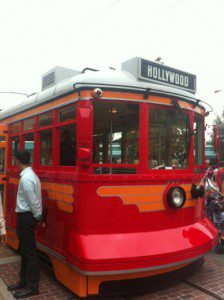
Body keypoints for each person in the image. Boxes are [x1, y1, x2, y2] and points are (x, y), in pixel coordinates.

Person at [7, 150, 42, 299]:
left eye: (14, 159)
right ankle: (23, 281)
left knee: (30, 253)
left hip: (26, 218)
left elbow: (33, 201)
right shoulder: (30, 176)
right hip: (27, 217)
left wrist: (38, 216)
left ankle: (32, 286)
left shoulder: (26, 178)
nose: (14, 161)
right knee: (25, 250)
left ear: (18, 160)